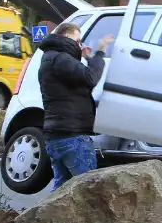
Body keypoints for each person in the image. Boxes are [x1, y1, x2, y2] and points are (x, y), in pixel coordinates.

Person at [36, 23, 114, 192]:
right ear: (65, 37)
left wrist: (89, 58)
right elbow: (90, 78)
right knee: (88, 189)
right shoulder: (61, 58)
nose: (79, 45)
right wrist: (100, 52)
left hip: (55, 136)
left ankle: (47, 219)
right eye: (77, 40)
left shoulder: (49, 58)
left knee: (60, 188)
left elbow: (81, 87)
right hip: (72, 135)